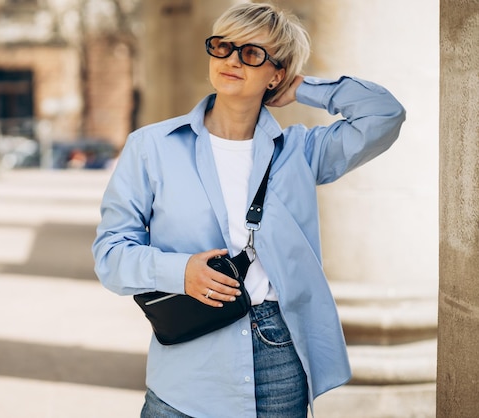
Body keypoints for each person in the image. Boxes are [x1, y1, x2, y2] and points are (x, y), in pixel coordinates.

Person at [92, 2, 405, 417]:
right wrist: (178, 271)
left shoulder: (301, 152)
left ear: (276, 73)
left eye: (252, 53)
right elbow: (110, 255)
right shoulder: (151, 148)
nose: (232, 60)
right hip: (189, 363)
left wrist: (304, 87)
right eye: (223, 46)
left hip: (278, 355)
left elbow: (383, 114)